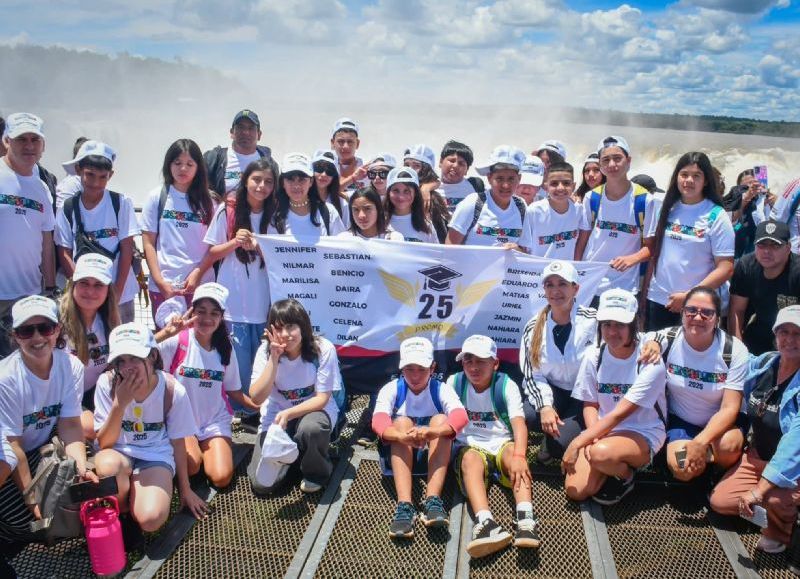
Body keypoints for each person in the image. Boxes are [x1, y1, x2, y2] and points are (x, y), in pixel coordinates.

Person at [93, 323, 208, 531]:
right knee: (107, 467)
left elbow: (178, 441)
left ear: (152, 356)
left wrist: (185, 489)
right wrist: (120, 405)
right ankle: (124, 513)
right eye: (121, 360)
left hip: (155, 455)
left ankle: (137, 501)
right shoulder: (106, 383)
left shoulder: (172, 390)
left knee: (150, 519)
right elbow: (104, 443)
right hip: (118, 452)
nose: (128, 367)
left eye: (135, 358)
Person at [0, 296, 95, 544]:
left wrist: (79, 471)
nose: (37, 337)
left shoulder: (71, 365)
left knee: (84, 485)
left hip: (44, 449)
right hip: (12, 456)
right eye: (26, 330)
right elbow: (14, 446)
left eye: (45, 328)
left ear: (57, 330)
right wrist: (32, 499)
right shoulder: (6, 378)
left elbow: (71, 425)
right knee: (24, 519)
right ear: (15, 336)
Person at [562, 288, 667, 505]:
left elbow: (620, 415)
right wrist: (595, 437)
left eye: (620, 325)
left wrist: (580, 442)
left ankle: (626, 476)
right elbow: (590, 402)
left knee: (600, 454)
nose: (612, 332)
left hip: (642, 431)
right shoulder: (595, 355)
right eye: (607, 324)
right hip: (604, 431)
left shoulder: (650, 361)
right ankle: (608, 463)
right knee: (576, 491)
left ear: (634, 325)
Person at [710, 305, 800, 556]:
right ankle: (775, 507)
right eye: (784, 332)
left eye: (797, 334)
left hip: (793, 468)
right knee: (720, 502)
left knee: (774, 499)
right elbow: (724, 357)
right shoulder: (764, 363)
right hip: (757, 458)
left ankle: (782, 532)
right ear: (775, 334)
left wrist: (759, 491)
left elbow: (795, 443)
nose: (790, 340)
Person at [159, 283, 257, 488]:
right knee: (192, 465)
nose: (207, 319)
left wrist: (257, 407)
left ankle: (202, 448)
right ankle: (191, 450)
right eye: (201, 311)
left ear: (221, 317)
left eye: (214, 313)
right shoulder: (177, 341)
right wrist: (165, 334)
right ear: (191, 312)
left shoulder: (225, 348)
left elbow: (233, 390)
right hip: (180, 421)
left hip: (214, 420)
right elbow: (138, 354)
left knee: (221, 478)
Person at [451, 335, 540, 558]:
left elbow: (519, 425)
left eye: (481, 361)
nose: (473, 367)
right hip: (470, 445)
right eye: (468, 361)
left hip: (501, 442)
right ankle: (485, 523)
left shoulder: (506, 385)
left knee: (514, 454)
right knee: (470, 460)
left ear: (495, 363)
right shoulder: (454, 383)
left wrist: (520, 455)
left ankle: (526, 520)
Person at [203, 158, 279, 409]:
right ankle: (238, 411)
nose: (261, 186)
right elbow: (213, 251)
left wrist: (259, 247)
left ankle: (258, 409)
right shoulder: (228, 210)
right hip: (233, 303)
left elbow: (282, 258)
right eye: (256, 179)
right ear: (245, 180)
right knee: (236, 362)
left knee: (260, 361)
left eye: (268, 181)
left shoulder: (277, 215)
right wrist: (235, 242)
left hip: (263, 304)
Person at [372, 337, 468, 538]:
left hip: (433, 454)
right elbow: (378, 422)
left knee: (442, 419)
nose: (415, 376)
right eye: (410, 369)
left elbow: (461, 416)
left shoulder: (440, 388)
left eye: (422, 369)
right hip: (402, 454)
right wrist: (401, 436)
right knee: (400, 423)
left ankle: (433, 499)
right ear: (401, 368)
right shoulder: (392, 389)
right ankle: (404, 505)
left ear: (432, 368)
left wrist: (433, 432)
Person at [652, 286, 748, 483]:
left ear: (717, 318)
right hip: (683, 422)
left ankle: (717, 475)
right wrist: (651, 345)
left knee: (728, 447)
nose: (698, 317)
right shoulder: (668, 338)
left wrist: (701, 442)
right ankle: (699, 467)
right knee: (682, 468)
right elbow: (636, 341)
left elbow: (730, 408)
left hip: (722, 428)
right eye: (692, 310)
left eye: (707, 312)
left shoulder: (734, 350)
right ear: (682, 313)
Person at [247, 299, 342, 494]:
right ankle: (296, 458)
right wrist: (274, 358)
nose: (284, 335)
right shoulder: (265, 352)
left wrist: (290, 413)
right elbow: (256, 398)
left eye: (291, 327)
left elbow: (322, 398)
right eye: (278, 328)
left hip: (314, 411)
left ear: (303, 326)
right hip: (276, 418)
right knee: (262, 485)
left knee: (311, 429)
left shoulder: (323, 349)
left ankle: (316, 472)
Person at [642, 152, 734, 331]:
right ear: (676, 177)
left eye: (696, 176)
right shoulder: (667, 208)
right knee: (655, 356)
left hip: (696, 306)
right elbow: (655, 254)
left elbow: (726, 267)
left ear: (706, 181)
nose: (689, 180)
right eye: (684, 175)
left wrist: (689, 296)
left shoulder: (716, 215)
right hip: (659, 299)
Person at [519, 261, 597, 461]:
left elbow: (630, 340)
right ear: (544, 290)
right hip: (554, 392)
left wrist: (655, 344)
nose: (555, 290)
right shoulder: (533, 327)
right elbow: (532, 375)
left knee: (558, 446)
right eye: (549, 284)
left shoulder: (594, 321)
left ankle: (566, 437)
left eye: (562, 284)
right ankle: (558, 423)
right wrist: (545, 406)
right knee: (526, 416)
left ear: (575, 288)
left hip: (585, 396)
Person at [55, 140, 140, 323]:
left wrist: (115, 294)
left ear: (111, 175)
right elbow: (64, 252)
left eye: (102, 177)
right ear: (78, 170)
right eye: (90, 175)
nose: (95, 183)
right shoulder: (68, 208)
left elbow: (126, 251)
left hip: (121, 296)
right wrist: (84, 288)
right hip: (83, 298)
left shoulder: (121, 204)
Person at [0, 113, 57, 357]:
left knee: (21, 369)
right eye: (22, 139)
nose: (29, 145)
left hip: (28, 297)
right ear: (6, 141)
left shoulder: (42, 188)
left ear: (43, 146)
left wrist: (52, 289)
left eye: (35, 139)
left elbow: (46, 244)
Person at [575, 136, 655, 306]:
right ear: (601, 166)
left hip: (625, 286)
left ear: (629, 161)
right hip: (592, 283)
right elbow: (582, 241)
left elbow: (651, 246)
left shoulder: (644, 200)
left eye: (617, 158)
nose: (612, 164)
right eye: (606, 160)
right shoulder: (592, 198)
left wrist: (632, 259)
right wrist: (576, 274)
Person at [141, 138, 216, 318]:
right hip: (165, 287)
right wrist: (160, 282)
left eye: (190, 164)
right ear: (169, 165)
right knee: (169, 341)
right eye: (178, 163)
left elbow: (214, 246)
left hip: (201, 286)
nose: (183, 169)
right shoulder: (156, 197)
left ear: (198, 167)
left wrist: (197, 274)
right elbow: (148, 243)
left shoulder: (210, 202)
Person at [58, 253, 120, 439]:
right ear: (73, 284)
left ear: (108, 290)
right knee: (91, 429)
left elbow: (117, 361)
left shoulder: (109, 320)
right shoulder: (55, 320)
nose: (90, 291)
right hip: (63, 400)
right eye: (84, 283)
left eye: (98, 285)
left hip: (92, 393)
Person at [729, 220, 800, 355]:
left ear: (788, 247)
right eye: (761, 245)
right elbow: (737, 310)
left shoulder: (797, 272)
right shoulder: (746, 266)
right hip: (761, 329)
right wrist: (737, 351)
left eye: (775, 246)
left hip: (794, 335)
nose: (767, 251)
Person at [446, 145, 527, 247]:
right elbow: (450, 248)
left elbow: (526, 249)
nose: (505, 185)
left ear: (519, 179)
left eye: (511, 179)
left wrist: (517, 249)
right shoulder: (472, 203)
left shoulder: (521, 206)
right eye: (499, 178)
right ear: (489, 178)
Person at [517, 162, 591, 259]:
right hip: (539, 271)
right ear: (546, 187)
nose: (560, 188)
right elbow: (524, 247)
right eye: (554, 183)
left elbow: (582, 242)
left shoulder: (579, 210)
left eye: (566, 183)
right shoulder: (534, 211)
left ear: (573, 186)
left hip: (566, 271)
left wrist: (576, 265)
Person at [268, 153, 346, 238]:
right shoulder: (273, 214)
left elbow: (341, 247)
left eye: (302, 179)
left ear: (311, 182)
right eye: (290, 179)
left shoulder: (329, 212)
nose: (296, 185)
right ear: (282, 182)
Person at [204, 109, 271, 197]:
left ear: (259, 134)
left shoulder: (268, 163)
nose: (246, 132)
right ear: (232, 133)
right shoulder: (214, 159)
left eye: (251, 128)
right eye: (240, 127)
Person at [725, 168, 773, 259]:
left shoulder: (765, 199)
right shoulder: (733, 201)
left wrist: (771, 200)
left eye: (753, 184)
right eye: (745, 187)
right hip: (740, 245)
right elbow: (731, 221)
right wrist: (747, 197)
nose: (751, 187)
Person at [385, 167, 439, 244]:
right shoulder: (380, 221)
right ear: (388, 193)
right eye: (396, 190)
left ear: (415, 193)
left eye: (407, 191)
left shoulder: (426, 225)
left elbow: (436, 254)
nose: (401, 196)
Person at [437, 140, 482, 212]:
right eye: (452, 160)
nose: (455, 166)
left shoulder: (475, 187)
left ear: (467, 170)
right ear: (441, 162)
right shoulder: (428, 187)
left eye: (461, 163)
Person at [311, 149, 348, 228]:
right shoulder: (300, 200)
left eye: (330, 171)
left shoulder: (343, 204)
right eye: (319, 168)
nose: (324, 174)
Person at [330, 118, 366, 193]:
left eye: (350, 141)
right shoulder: (323, 168)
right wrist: (352, 178)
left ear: (357, 143)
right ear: (332, 143)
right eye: (341, 141)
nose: (345, 146)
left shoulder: (365, 168)